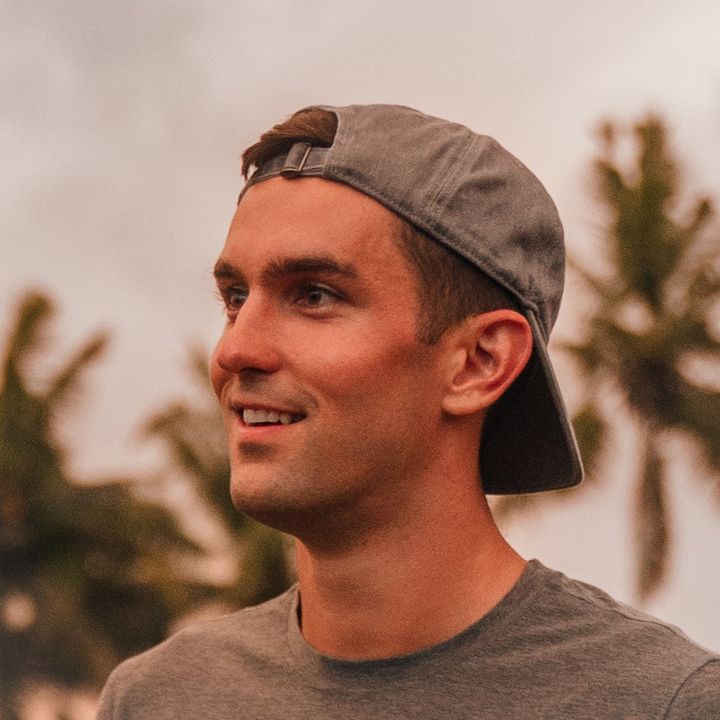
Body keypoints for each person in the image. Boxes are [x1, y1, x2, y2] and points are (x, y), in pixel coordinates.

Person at [97, 104, 719, 719]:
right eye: (235, 298)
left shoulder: (666, 704)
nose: (234, 350)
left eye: (314, 295)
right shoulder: (156, 698)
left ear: (479, 361)